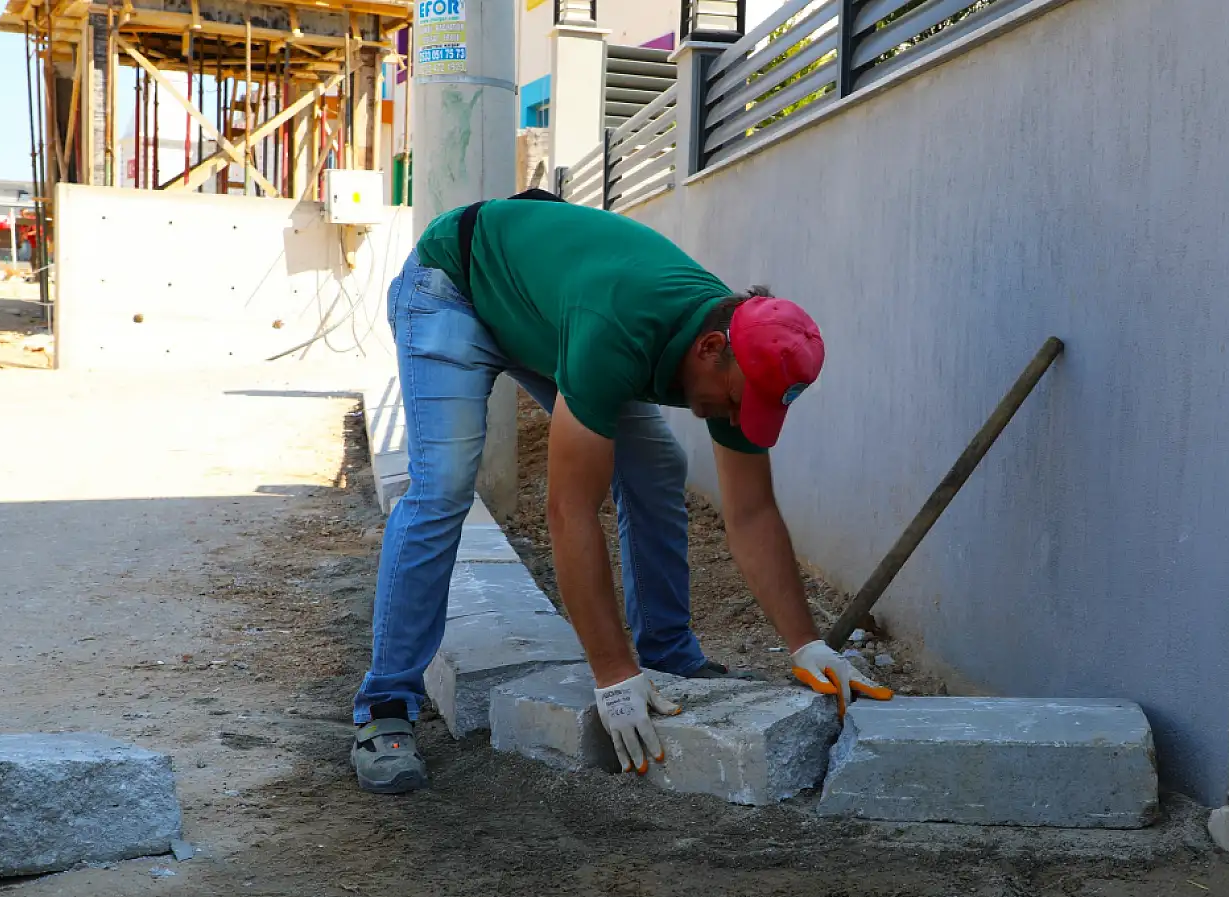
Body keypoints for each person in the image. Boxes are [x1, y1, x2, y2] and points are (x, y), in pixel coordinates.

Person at [352, 197, 893, 794]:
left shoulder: (741, 352)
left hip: (547, 310)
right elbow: (569, 510)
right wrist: (610, 674)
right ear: (711, 348)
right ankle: (385, 706)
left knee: (657, 465)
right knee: (445, 484)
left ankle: (668, 656)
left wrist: (805, 642)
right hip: (453, 285)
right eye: (739, 400)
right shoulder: (621, 328)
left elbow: (752, 512)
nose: (738, 418)